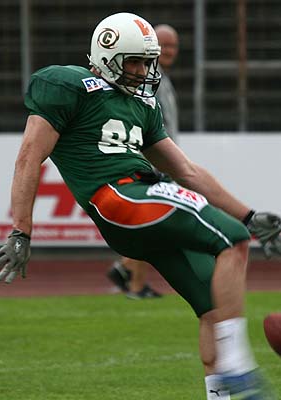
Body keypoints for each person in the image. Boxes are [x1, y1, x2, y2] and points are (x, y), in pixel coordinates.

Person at [0, 12, 281, 400]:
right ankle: (239, 367)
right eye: (133, 61)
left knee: (215, 309)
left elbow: (186, 170)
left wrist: (248, 214)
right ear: (106, 55)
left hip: (141, 207)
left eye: (146, 62)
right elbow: (29, 158)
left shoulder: (143, 104)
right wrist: (21, 229)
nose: (142, 71)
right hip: (119, 196)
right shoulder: (67, 85)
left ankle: (221, 395)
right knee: (233, 238)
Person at [105, 23, 180, 300]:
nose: (169, 51)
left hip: (162, 158)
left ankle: (126, 269)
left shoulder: (160, 78)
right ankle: (134, 283)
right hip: (150, 159)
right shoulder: (145, 79)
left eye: (173, 46)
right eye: (164, 46)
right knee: (150, 223)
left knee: (153, 223)